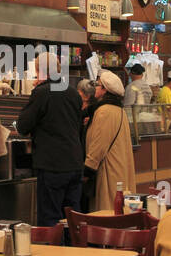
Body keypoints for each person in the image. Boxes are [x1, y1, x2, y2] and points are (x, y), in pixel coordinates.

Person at [15, 51, 84, 225]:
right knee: (73, 219)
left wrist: (37, 89)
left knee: (51, 219)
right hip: (75, 163)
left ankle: (54, 252)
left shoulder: (42, 93)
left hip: (52, 165)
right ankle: (76, 251)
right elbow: (77, 127)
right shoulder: (73, 93)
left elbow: (23, 126)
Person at [83, 70, 136, 210]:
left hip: (108, 171)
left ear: (105, 90)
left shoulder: (104, 111)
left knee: (107, 212)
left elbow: (98, 146)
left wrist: (86, 170)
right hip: (119, 169)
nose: (95, 88)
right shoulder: (118, 110)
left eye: (98, 85)